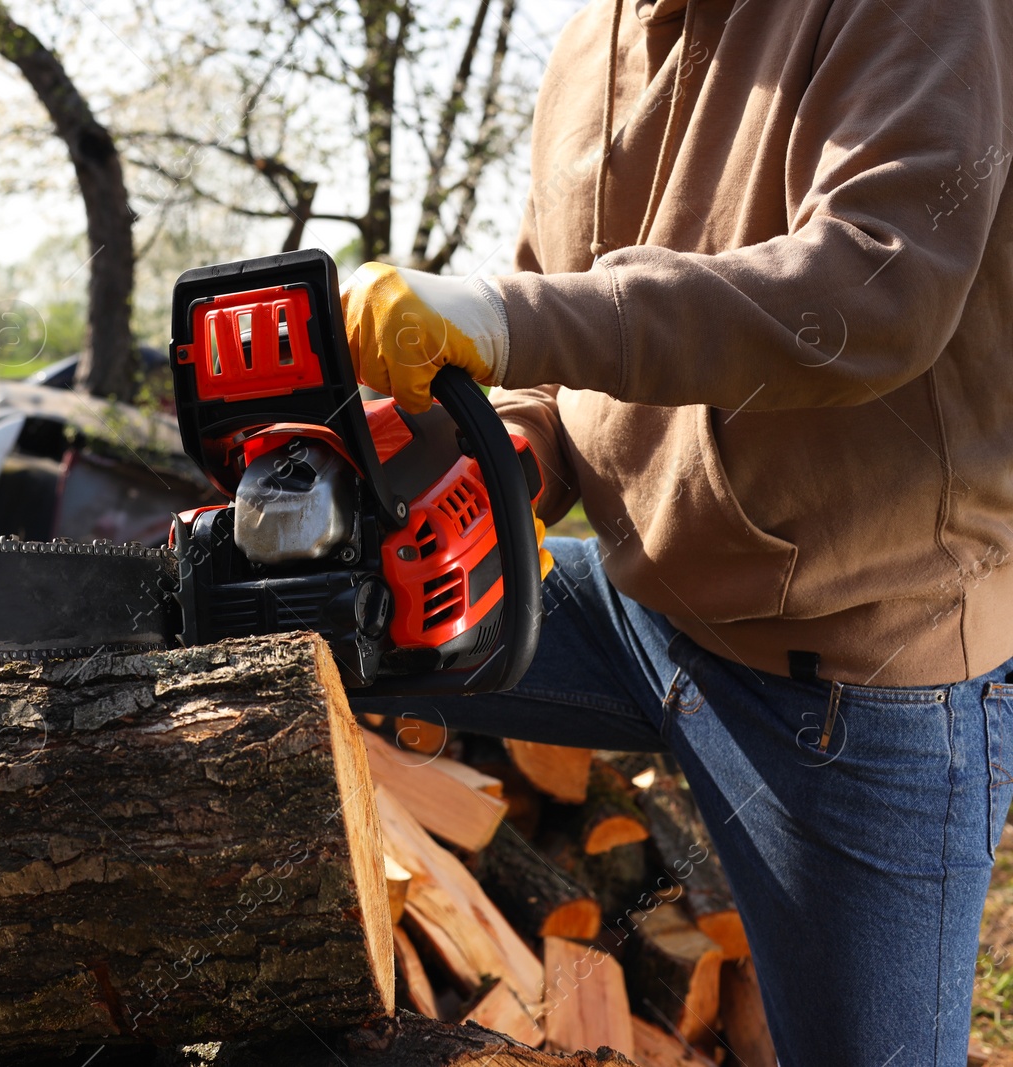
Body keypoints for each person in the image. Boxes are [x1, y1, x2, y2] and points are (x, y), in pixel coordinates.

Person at [342, 0, 1013, 1062]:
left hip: (861, 662)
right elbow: (552, 355)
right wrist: (501, 461)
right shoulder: (586, 43)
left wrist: (506, 320)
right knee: (331, 622)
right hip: (639, 601)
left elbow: (874, 289)